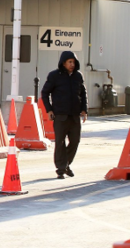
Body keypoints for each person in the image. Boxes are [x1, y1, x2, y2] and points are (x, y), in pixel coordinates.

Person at [41, 50, 88, 179]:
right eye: (70, 62)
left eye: (74, 62)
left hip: (74, 116)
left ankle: (66, 164)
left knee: (75, 141)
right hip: (60, 116)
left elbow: (83, 94)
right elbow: (45, 93)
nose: (72, 64)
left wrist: (84, 109)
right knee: (60, 143)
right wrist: (49, 110)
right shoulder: (54, 76)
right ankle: (61, 169)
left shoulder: (78, 76)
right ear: (63, 63)